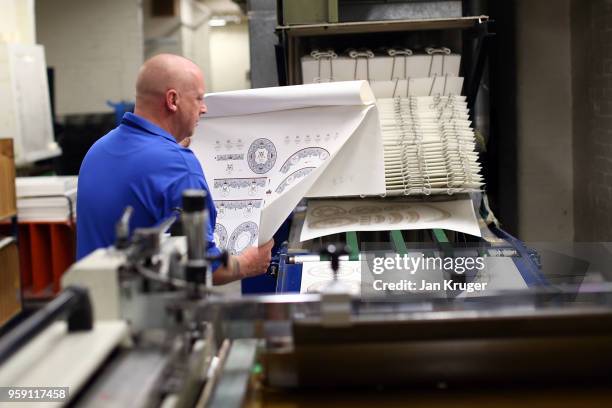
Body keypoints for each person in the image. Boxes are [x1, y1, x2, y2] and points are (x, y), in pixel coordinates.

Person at [76, 53, 273, 284]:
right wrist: (249, 264)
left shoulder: (98, 150)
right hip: (143, 313)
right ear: (173, 100)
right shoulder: (179, 165)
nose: (204, 108)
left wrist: (169, 147)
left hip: (94, 306)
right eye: (199, 98)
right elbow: (205, 269)